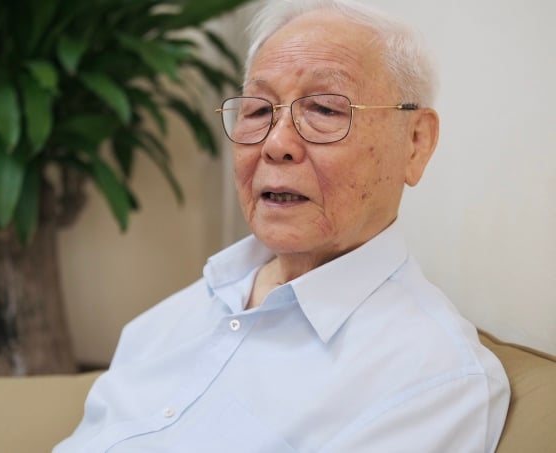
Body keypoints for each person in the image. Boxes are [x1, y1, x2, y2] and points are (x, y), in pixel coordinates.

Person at [55, 0, 510, 451]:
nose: (276, 144)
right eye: (257, 111)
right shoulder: (170, 318)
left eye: (326, 110)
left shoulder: (434, 381)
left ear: (415, 143)